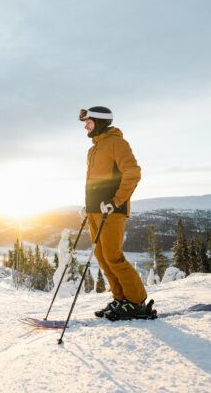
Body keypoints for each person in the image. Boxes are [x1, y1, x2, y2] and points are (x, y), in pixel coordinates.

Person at [79, 107, 154, 320]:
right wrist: (89, 205)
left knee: (113, 256)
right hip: (95, 211)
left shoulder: (117, 144)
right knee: (102, 257)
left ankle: (137, 302)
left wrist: (116, 201)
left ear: (100, 122)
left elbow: (133, 173)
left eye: (89, 122)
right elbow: (96, 182)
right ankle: (121, 299)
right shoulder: (93, 149)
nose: (85, 126)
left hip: (111, 210)